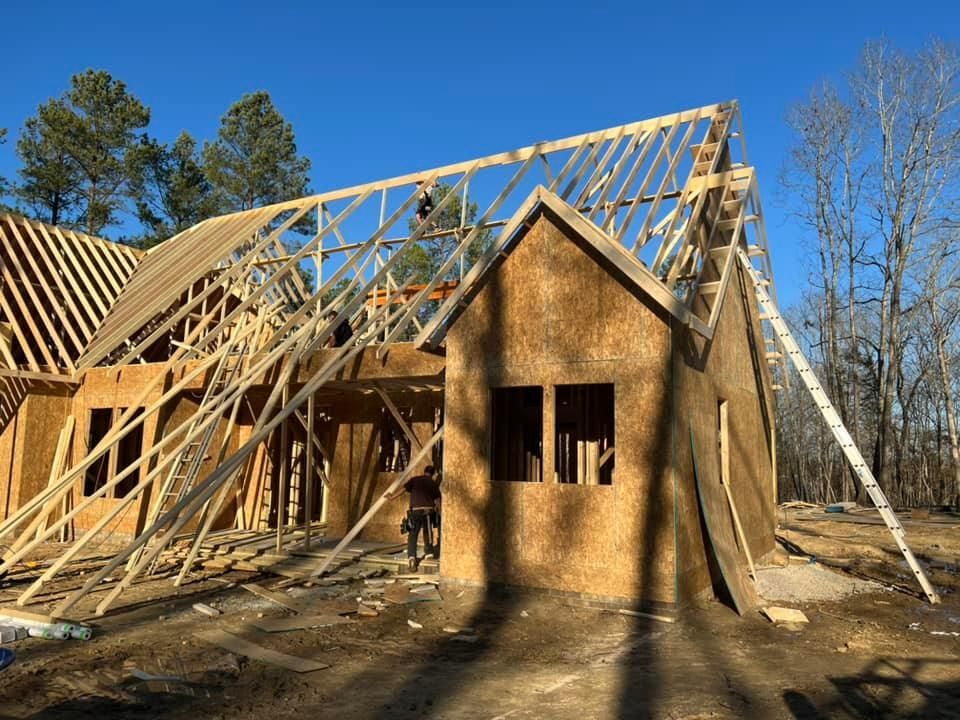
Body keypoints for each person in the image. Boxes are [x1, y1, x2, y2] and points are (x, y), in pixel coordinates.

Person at [389, 465, 441, 571]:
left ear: (424, 471)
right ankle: (429, 554)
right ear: (433, 474)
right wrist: (440, 513)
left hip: (415, 511)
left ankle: (412, 557)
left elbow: (403, 489)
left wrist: (392, 497)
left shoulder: (415, 480)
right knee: (428, 534)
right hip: (427, 511)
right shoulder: (433, 483)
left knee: (413, 534)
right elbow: (437, 501)